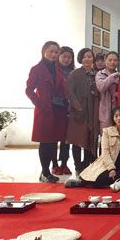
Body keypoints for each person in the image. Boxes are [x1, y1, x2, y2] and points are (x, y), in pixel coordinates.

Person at [25, 41, 68, 183]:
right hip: (45, 110)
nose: (54, 54)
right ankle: (44, 172)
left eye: (56, 52)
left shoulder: (58, 69)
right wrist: (39, 104)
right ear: (44, 52)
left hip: (58, 110)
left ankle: (47, 172)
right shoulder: (37, 69)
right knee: (45, 142)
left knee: (53, 142)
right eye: (51, 51)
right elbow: (29, 90)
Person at [65, 106, 120, 188]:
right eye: (116, 116)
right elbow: (105, 152)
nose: (119, 118)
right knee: (98, 178)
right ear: (113, 118)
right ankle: (82, 183)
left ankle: (117, 181)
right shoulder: (107, 132)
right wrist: (111, 168)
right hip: (108, 165)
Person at [66, 48, 100, 175]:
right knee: (77, 139)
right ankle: (78, 166)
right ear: (80, 59)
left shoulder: (96, 74)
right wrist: (78, 107)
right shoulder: (74, 74)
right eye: (84, 57)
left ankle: (86, 164)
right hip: (78, 112)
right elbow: (69, 93)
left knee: (90, 138)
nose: (87, 59)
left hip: (93, 111)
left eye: (90, 56)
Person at [53, 45, 75, 176]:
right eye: (64, 56)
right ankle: (54, 164)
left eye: (69, 57)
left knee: (66, 138)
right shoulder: (53, 70)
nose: (66, 59)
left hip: (69, 109)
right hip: (56, 107)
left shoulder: (74, 72)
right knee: (54, 137)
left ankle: (64, 163)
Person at [95, 51, 120, 131]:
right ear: (105, 61)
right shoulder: (100, 74)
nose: (112, 62)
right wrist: (112, 77)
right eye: (110, 60)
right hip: (104, 109)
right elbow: (101, 87)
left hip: (117, 109)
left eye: (115, 60)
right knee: (106, 133)